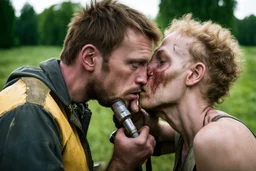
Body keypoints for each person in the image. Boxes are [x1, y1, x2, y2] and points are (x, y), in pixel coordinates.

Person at [0, 0, 161, 170]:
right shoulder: (30, 113)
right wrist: (121, 165)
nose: (144, 78)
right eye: (135, 65)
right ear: (90, 58)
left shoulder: (66, 104)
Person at [137, 14, 256, 171]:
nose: (147, 70)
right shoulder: (188, 133)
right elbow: (157, 132)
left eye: (161, 61)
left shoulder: (216, 138)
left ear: (194, 74)